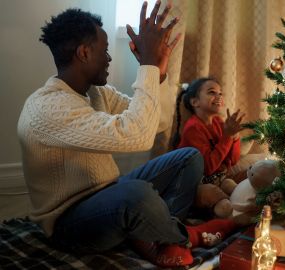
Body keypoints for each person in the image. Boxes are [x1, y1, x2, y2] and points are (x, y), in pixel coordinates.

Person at [17, 1, 235, 267]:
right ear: (84, 53)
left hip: (111, 194)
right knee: (137, 194)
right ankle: (184, 236)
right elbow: (138, 137)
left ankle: (157, 235)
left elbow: (158, 122)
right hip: (71, 223)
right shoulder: (47, 107)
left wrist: (159, 74)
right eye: (105, 50)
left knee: (188, 157)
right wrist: (148, 66)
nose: (109, 58)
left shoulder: (98, 93)